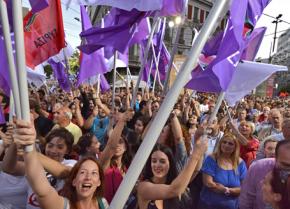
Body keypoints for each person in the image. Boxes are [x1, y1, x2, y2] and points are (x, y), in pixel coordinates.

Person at [13, 119, 108, 209]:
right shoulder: (65, 206)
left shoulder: (102, 203)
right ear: (74, 181)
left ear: (99, 181)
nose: (54, 150)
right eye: (50, 145)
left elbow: (63, 172)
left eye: (60, 147)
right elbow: (9, 168)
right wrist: (15, 142)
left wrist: (31, 150)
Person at [136, 131, 208, 209]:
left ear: (170, 164)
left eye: (162, 161)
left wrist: (197, 145)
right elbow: (174, 191)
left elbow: (195, 170)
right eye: (154, 161)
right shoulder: (143, 187)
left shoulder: (176, 183)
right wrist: (196, 154)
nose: (157, 165)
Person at [198, 133, 247, 209]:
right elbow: (208, 183)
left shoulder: (240, 163)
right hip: (209, 205)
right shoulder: (212, 159)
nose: (226, 145)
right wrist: (233, 191)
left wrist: (226, 190)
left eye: (230, 144)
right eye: (224, 142)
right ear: (220, 144)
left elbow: (244, 188)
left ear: (235, 147)